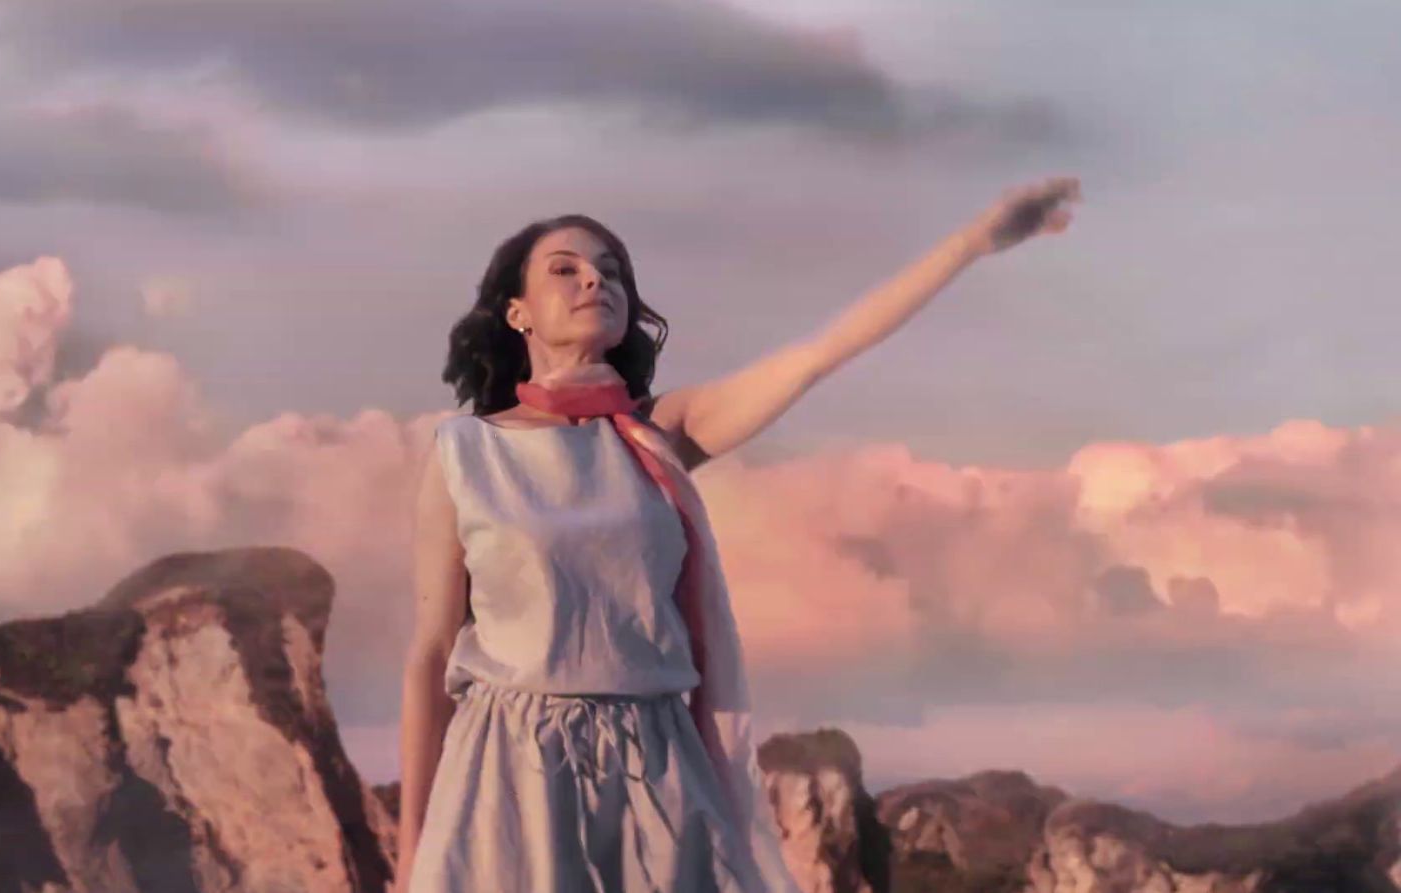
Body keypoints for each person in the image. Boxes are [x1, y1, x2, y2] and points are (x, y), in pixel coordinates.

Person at [397, 176, 1082, 892]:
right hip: (508, 768)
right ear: (517, 312)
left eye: (612, 270)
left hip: (654, 760)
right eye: (564, 268)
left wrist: (975, 241)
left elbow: (816, 356)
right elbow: (432, 655)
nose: (594, 278)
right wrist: (414, 851)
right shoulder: (465, 452)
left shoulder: (661, 433)